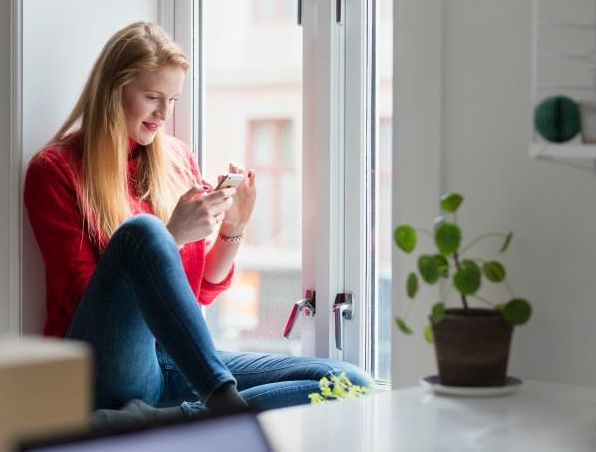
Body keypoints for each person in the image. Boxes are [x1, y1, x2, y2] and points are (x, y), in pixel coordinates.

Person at [23, 22, 372, 418]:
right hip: (103, 367)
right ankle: (220, 403)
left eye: (172, 99)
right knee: (144, 232)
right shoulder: (54, 170)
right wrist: (170, 236)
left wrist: (233, 228)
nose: (163, 114)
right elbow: (89, 300)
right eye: (152, 96)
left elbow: (200, 292)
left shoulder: (175, 159)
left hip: (179, 362)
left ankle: (174, 422)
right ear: (112, 91)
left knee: (349, 383)